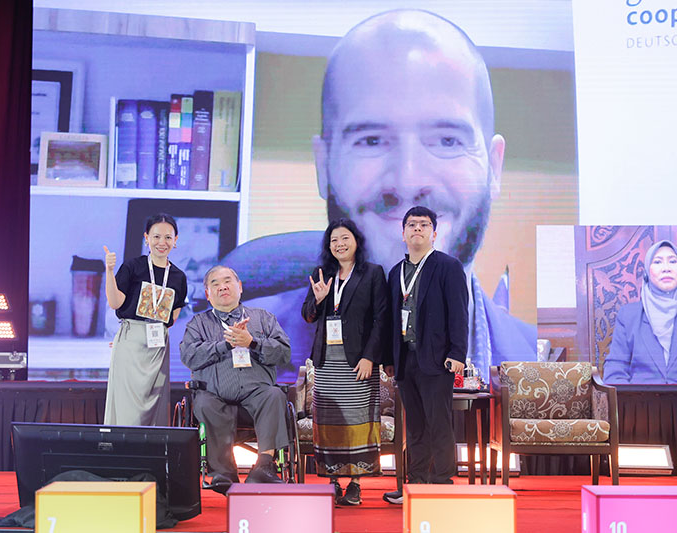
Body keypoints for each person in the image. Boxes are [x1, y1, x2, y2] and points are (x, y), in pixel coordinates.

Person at [222, 8, 536, 381]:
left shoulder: (534, 358)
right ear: (324, 167)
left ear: (494, 167)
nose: (407, 180)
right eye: (371, 140)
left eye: (448, 140)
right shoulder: (243, 342)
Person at [180, 265, 291, 494]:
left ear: (239, 287)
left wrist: (252, 342)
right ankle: (223, 473)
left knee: (274, 395)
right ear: (208, 294)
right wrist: (225, 344)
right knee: (204, 403)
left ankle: (264, 467)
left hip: (257, 396)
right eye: (215, 284)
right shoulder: (197, 324)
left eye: (228, 281)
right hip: (214, 395)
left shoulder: (263, 318)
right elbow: (189, 356)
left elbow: (284, 354)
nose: (222, 287)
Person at [383, 206, 468, 504]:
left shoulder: (448, 266)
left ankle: (442, 482)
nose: (417, 229)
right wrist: (389, 359)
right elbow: (391, 320)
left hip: (437, 359)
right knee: (415, 426)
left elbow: (459, 312)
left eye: (424, 224)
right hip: (406, 361)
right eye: (411, 224)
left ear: (434, 232)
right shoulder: (396, 273)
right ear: (403, 232)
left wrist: (458, 352)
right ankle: (415, 484)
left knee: (439, 423)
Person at [301, 218, 388, 505]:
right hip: (327, 360)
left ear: (357, 241)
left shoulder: (373, 273)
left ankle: (355, 484)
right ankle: (332, 480)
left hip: (358, 362)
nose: (339, 244)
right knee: (328, 421)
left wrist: (369, 357)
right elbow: (308, 315)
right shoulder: (322, 273)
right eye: (334, 240)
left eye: (344, 238)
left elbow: (380, 320)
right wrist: (319, 299)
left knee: (358, 422)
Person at [103, 213, 188, 427]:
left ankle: (152, 456)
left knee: (156, 404)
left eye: (168, 237)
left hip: (158, 345)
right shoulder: (133, 267)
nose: (162, 243)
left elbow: (173, 315)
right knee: (126, 407)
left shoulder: (179, 277)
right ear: (146, 238)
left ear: (175, 240)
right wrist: (110, 271)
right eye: (156, 236)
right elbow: (115, 302)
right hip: (131, 342)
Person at [605, 240, 677, 384]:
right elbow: (614, 372)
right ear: (647, 272)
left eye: (673, 261)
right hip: (640, 403)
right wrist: (631, 403)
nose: (666, 268)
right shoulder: (629, 316)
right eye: (657, 262)